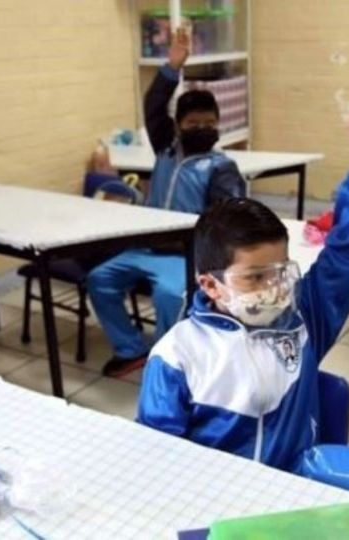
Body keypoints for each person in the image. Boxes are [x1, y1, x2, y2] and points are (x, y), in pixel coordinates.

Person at [135, 95, 349, 472]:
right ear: (210, 285)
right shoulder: (178, 356)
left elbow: (347, 258)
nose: (275, 287)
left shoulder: (303, 318)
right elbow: (158, 459)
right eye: (255, 276)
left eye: (280, 270)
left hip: (292, 493)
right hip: (217, 503)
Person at [89, 27, 246, 378]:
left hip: (185, 255)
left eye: (210, 123)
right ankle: (131, 349)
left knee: (170, 296)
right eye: (193, 123)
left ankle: (166, 362)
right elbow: (153, 105)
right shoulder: (166, 148)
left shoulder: (221, 167)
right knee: (100, 278)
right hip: (145, 248)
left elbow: (228, 225)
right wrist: (171, 67)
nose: (202, 128)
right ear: (178, 126)